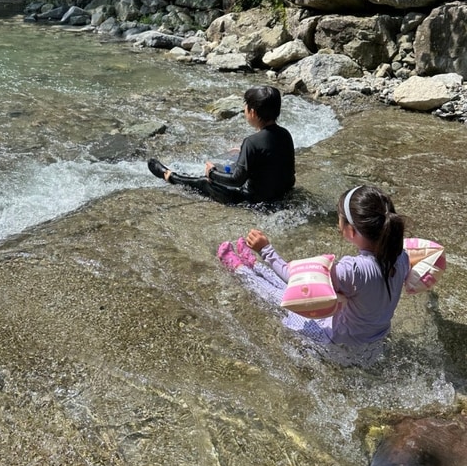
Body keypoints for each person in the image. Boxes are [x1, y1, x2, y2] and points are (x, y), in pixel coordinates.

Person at [218, 184, 410, 366]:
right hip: (372, 345)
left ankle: (241, 270)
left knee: (283, 296)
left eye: (340, 218)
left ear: (351, 231)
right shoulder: (401, 256)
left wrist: (265, 249)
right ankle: (255, 267)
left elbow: (295, 279)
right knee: (303, 294)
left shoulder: (353, 270)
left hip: (339, 346)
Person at [147, 85, 295, 205]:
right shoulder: (285, 134)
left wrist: (212, 173)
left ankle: (170, 176)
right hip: (282, 195)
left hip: (253, 200)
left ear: (253, 112)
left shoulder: (251, 142)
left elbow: (237, 181)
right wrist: (242, 152)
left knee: (205, 182)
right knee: (233, 164)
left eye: (246, 106)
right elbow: (272, 159)